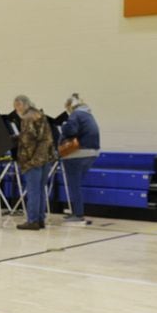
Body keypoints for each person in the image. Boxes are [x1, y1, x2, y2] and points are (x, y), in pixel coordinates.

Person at [13, 95, 56, 230]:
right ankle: (40, 219)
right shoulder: (39, 114)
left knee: (33, 191)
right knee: (40, 190)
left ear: (23, 104)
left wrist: (15, 142)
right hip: (45, 158)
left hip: (33, 160)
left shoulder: (27, 118)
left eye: (17, 106)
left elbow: (27, 141)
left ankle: (32, 221)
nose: (16, 110)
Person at [59, 93, 101, 225]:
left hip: (78, 154)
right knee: (76, 184)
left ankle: (78, 214)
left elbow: (70, 131)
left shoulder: (76, 115)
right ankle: (76, 211)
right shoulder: (88, 114)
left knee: (74, 185)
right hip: (92, 153)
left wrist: (64, 125)